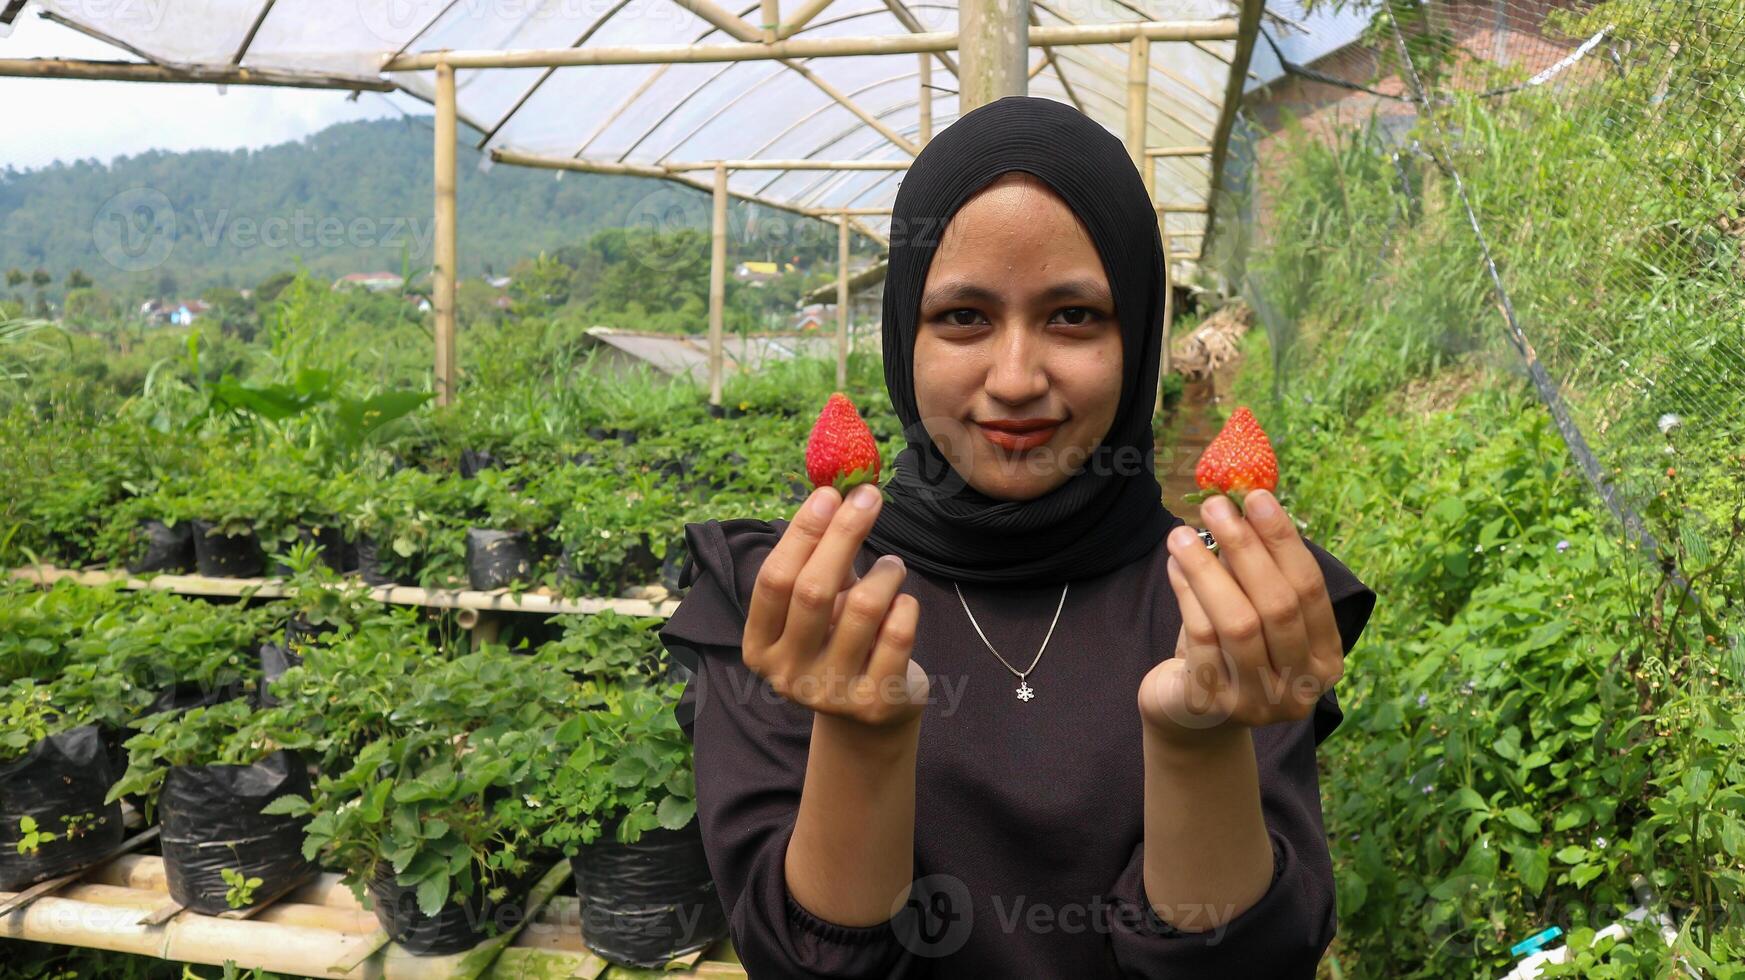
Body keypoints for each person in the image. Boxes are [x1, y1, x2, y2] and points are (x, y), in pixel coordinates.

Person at [657, 95, 1376, 979]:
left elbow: (1247, 964)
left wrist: (1198, 739)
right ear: (900, 336)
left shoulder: (1222, 613)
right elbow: (805, 964)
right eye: (963, 317)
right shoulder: (792, 602)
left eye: (1073, 315)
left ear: (1141, 332)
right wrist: (862, 735)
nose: (1014, 378)